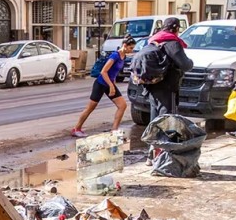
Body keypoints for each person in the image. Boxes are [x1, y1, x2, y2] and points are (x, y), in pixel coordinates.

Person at [142, 17, 193, 164]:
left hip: (152, 86)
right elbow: (184, 64)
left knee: (155, 119)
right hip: (167, 87)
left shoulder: (154, 40)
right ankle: (162, 156)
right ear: (176, 29)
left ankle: (151, 155)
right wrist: (191, 63)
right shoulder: (172, 43)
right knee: (167, 120)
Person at [71, 37, 136, 137]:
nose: (131, 50)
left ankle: (114, 130)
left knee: (122, 105)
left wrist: (112, 85)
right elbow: (104, 72)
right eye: (130, 48)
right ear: (125, 46)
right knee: (90, 108)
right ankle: (76, 128)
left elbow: (113, 73)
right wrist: (111, 86)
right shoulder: (115, 56)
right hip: (101, 84)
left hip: (109, 84)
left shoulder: (123, 57)